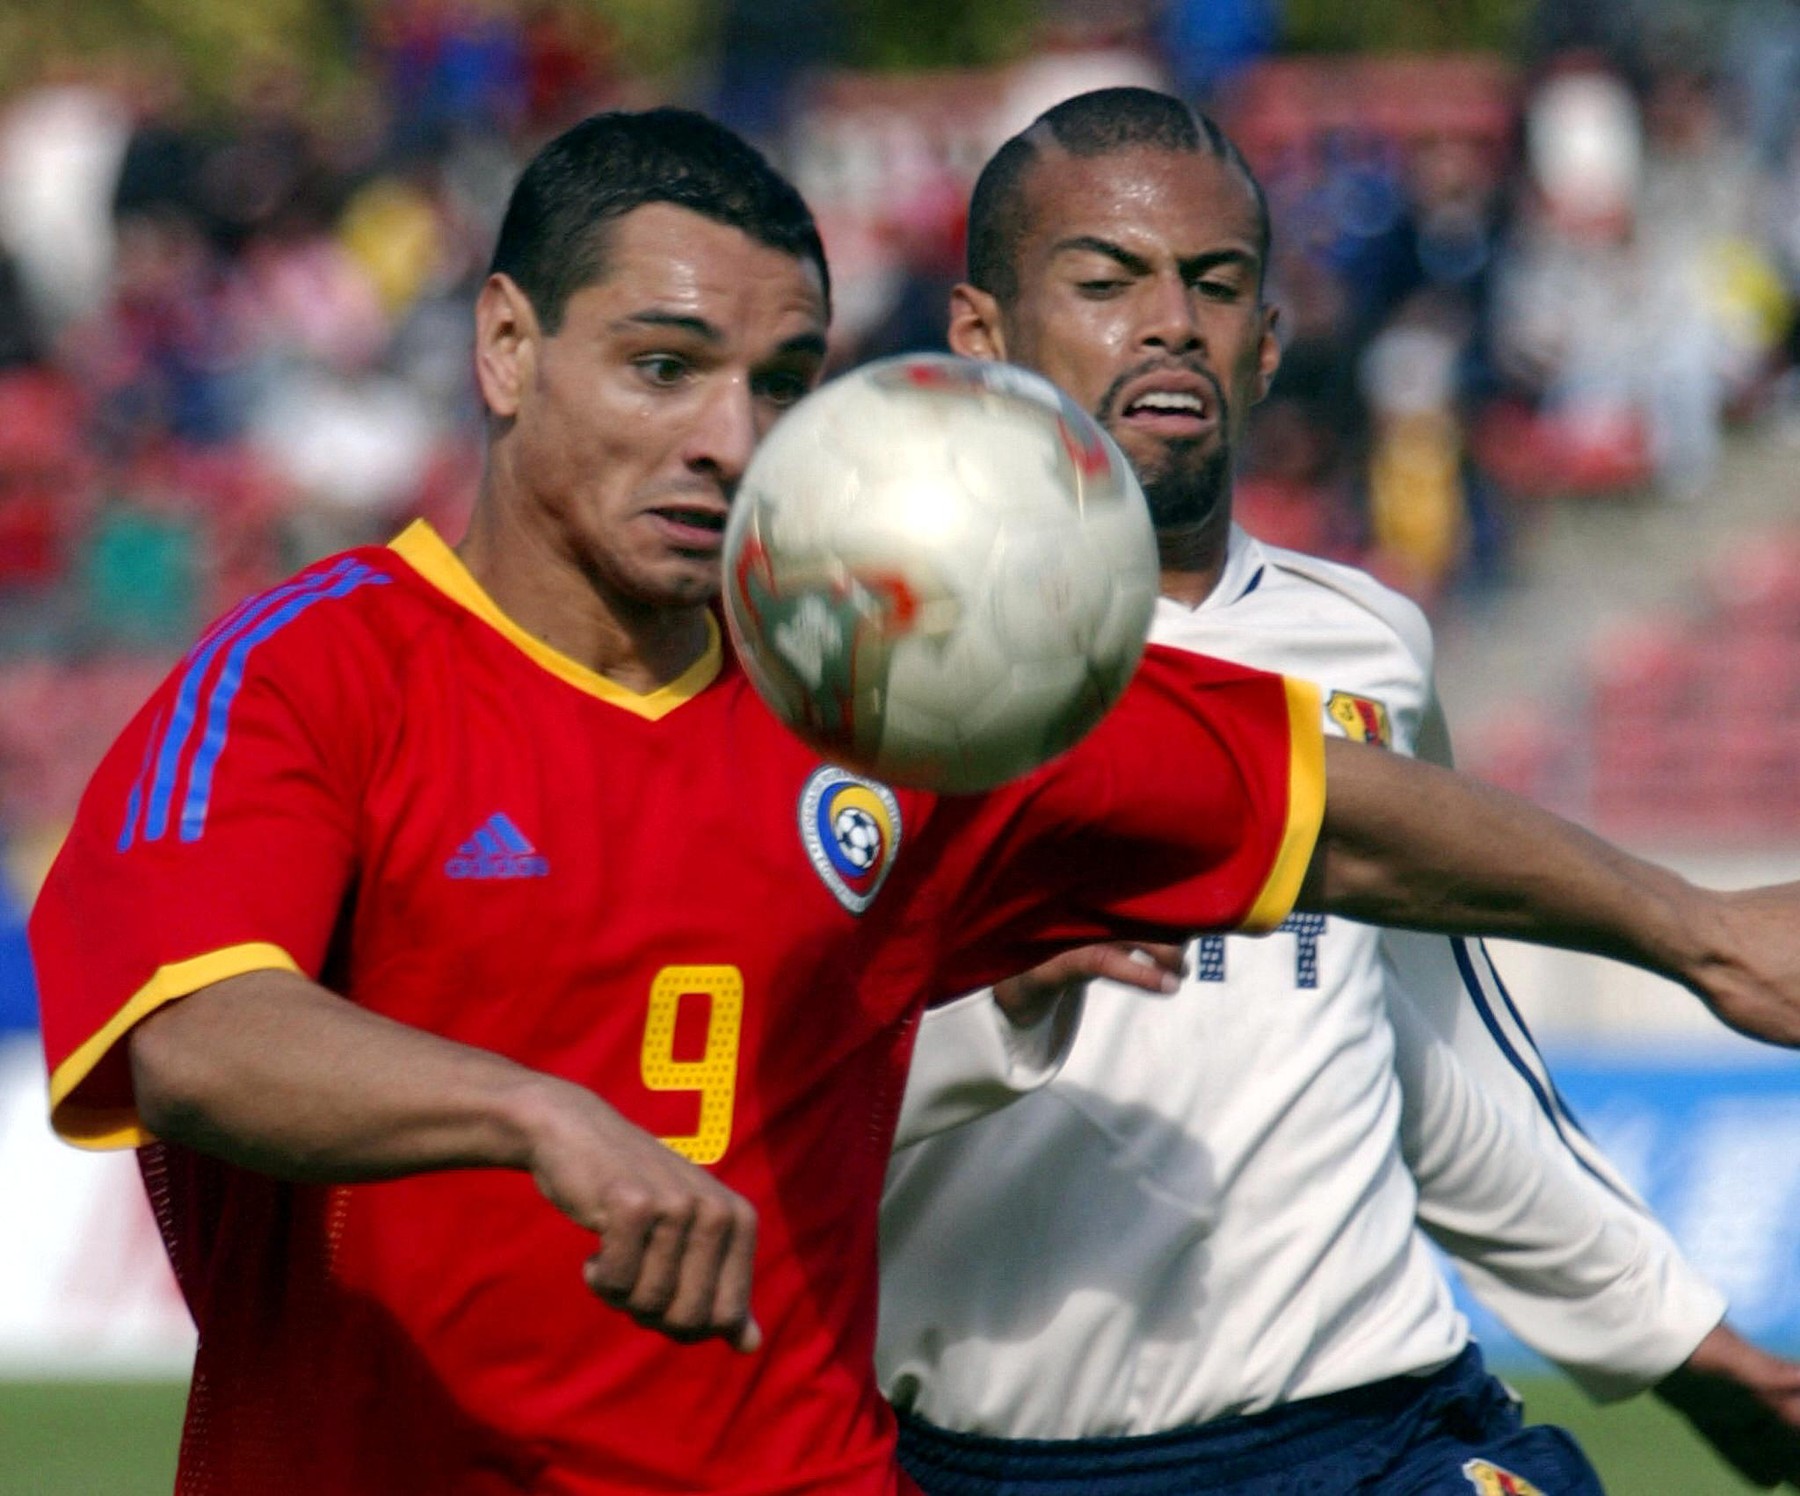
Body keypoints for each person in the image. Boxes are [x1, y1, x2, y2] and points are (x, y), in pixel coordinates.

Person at [27, 108, 1800, 1496]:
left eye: (781, 384)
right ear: (506, 347)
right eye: (664, 368)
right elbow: (197, 1036)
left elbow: (1339, 805)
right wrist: (535, 1118)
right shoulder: (310, 678)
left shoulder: (877, 678)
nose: (732, 437)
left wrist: (1698, 932)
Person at [878, 87, 1800, 1496]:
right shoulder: (869, 673)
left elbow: (1439, 1063)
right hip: (1002, 1459)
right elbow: (773, 1078)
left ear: (1268, 346)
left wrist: (1686, 1346)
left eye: (1216, 283)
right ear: (981, 337)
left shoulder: (1363, 644)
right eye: (1108, 281)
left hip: (1372, 1429)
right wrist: (992, 1004)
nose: (1171, 320)